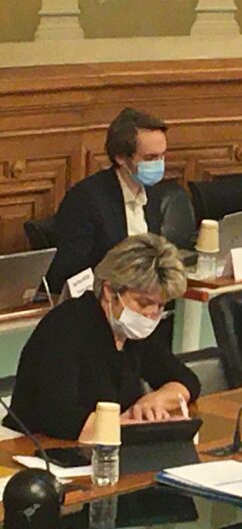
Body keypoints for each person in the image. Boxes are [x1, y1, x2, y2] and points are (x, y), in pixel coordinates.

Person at [5, 234, 200, 441]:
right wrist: (132, 426)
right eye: (143, 303)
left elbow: (187, 381)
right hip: (35, 445)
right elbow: (60, 418)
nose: (151, 314)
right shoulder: (64, 327)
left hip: (105, 446)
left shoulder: (134, 332)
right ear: (109, 291)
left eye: (160, 305)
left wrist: (155, 401)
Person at [46, 107, 168, 293]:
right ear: (121, 157)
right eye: (150, 158)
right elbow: (73, 273)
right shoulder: (86, 200)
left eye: (162, 156)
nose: (159, 164)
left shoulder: (153, 193)